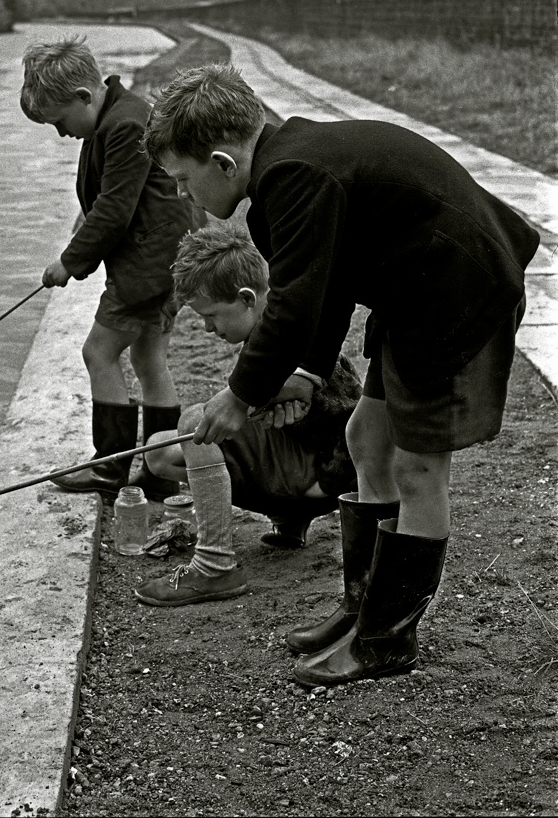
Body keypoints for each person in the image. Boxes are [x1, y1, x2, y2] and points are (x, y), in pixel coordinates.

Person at [141, 62, 540, 686]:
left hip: (459, 291)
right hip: (415, 293)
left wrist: (240, 396)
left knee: (417, 466)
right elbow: (324, 296)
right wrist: (303, 373)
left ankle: (386, 641)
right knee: (364, 439)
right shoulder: (282, 176)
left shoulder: (294, 174)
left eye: (183, 180)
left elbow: (296, 303)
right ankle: (363, 608)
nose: (185, 196)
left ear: (222, 162)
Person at [134, 223, 362, 607]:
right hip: (299, 470)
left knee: (193, 423)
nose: (207, 329)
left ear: (245, 298)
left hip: (323, 481)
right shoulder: (263, 338)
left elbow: (350, 418)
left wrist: (328, 483)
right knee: (158, 450)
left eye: (211, 316)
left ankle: (213, 565)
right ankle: (289, 521)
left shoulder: (293, 345)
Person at [20, 36, 196, 499]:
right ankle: (162, 470)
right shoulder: (120, 114)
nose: (61, 133)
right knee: (148, 357)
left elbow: (115, 209)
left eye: (60, 121)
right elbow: (110, 200)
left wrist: (68, 261)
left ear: (84, 96)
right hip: (163, 259)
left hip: (149, 263)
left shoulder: (124, 125)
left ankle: (109, 466)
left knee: (98, 353)